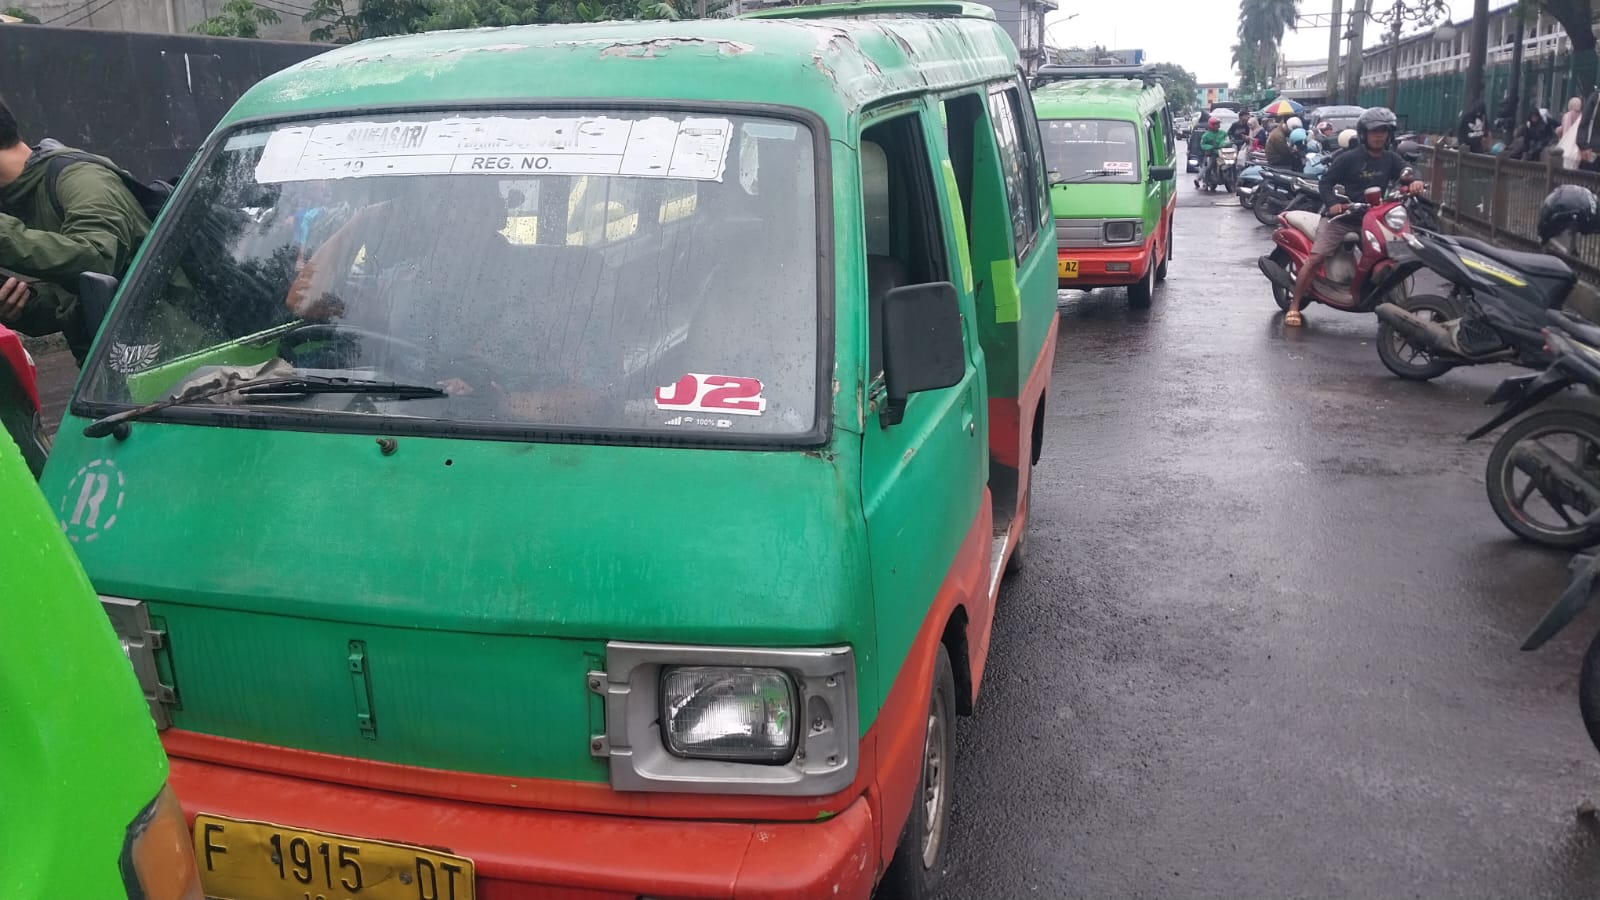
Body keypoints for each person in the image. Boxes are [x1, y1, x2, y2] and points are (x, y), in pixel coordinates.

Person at [0, 98, 151, 363]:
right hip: (111, 375)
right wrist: (20, 306)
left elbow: (99, 259)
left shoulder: (82, 178)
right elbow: (83, 298)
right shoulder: (16, 200)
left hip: (182, 366)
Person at [1283, 107, 1425, 328]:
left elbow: (1408, 171)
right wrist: (1333, 204)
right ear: (1364, 134)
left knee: (1390, 255)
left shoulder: (1390, 159)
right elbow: (1325, 183)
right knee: (1316, 259)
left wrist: (1415, 180)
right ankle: (1294, 305)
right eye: (1375, 131)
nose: (1379, 136)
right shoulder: (1349, 158)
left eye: (1384, 131)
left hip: (1375, 219)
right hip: (1344, 218)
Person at [1197, 117, 1227, 189]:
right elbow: (1203, 145)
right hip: (1214, 154)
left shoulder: (1223, 133)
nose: (1218, 125)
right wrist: (1211, 147)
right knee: (1209, 167)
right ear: (1211, 125)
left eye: (1218, 124)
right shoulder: (1206, 135)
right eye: (1216, 124)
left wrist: (1227, 143)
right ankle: (1206, 182)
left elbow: (1227, 139)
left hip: (1224, 152)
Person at [1558, 96, 1584, 169]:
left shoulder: (1568, 115)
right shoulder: (1583, 115)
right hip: (1579, 144)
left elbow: (1566, 130)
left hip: (1569, 144)